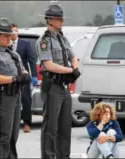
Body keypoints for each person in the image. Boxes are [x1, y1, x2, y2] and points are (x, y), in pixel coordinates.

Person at [35, 4, 81, 159]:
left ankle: (63, 156)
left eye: (61, 18)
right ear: (49, 20)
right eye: (58, 18)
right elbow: (48, 65)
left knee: (65, 126)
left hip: (64, 86)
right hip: (52, 86)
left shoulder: (63, 38)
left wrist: (74, 66)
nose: (61, 21)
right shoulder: (44, 41)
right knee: (50, 127)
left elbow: (73, 57)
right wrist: (70, 71)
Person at [0, 17, 31, 159]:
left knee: (13, 135)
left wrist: (25, 75)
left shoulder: (13, 54)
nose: (8, 38)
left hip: (15, 95)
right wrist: (14, 78)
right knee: (2, 135)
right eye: (5, 35)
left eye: (10, 35)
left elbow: (22, 69)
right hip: (2, 97)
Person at [11, 23, 38, 133]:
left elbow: (32, 60)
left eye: (16, 30)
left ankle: (27, 123)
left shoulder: (25, 44)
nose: (14, 33)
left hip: (23, 76)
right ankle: (13, 122)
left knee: (26, 99)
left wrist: (34, 75)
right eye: (12, 31)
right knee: (11, 99)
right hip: (10, 76)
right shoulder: (5, 44)